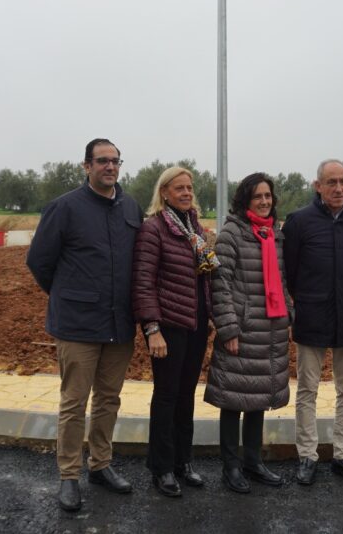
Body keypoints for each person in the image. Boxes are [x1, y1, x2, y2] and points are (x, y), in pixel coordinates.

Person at [26, 138, 143, 512]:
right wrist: (68, 295)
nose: (110, 167)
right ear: (87, 166)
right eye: (102, 161)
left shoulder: (131, 207)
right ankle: (69, 475)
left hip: (119, 322)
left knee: (109, 399)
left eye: (115, 161)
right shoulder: (64, 208)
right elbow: (39, 262)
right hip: (77, 325)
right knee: (74, 403)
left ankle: (101, 465)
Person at [282, 159, 343, 486]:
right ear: (317, 186)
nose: (338, 188)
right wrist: (301, 303)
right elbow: (290, 271)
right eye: (331, 182)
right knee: (307, 389)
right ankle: (307, 455)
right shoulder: (299, 221)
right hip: (312, 315)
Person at [205, 173, 293, 494]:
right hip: (242, 329)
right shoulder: (231, 234)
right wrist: (228, 327)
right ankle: (231, 467)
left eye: (268, 196)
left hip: (270, 328)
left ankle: (253, 462)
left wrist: (288, 314)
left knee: (259, 396)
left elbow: (282, 280)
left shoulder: (275, 235)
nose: (264, 201)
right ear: (246, 200)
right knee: (233, 399)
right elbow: (221, 284)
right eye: (258, 196)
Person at [132, 166, 215, 498]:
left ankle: (183, 461)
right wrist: (152, 329)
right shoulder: (153, 229)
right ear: (164, 193)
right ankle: (162, 467)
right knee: (166, 396)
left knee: (186, 395)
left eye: (189, 188)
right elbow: (143, 282)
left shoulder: (194, 227)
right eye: (179, 188)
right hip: (168, 325)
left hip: (195, 324)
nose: (186, 193)